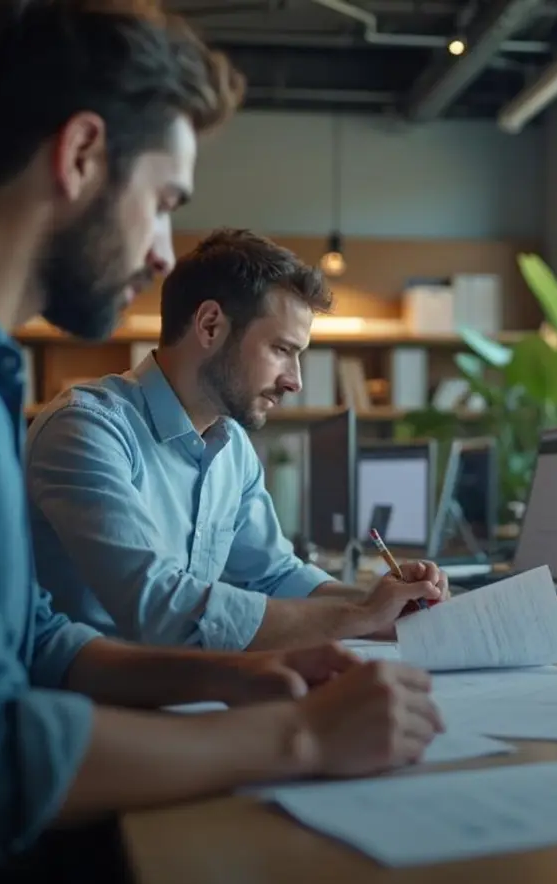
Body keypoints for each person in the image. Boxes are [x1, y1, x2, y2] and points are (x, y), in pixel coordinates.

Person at [0, 3, 441, 884]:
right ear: (79, 155)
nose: (160, 255)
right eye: (163, 203)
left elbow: (29, 640)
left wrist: (251, 676)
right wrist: (299, 736)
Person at [25, 228, 444, 651]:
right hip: (92, 702)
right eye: (281, 349)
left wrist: (387, 602)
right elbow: (157, 610)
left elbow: (274, 576)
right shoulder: (87, 430)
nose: (295, 381)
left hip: (185, 690)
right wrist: (360, 616)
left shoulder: (232, 446)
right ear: (210, 325)